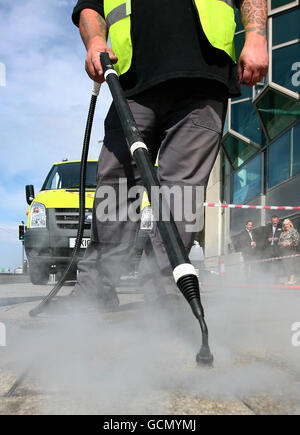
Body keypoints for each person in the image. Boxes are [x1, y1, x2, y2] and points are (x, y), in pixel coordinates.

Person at [71, 0, 269, 309]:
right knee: (117, 186)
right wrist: (96, 39)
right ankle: (96, 287)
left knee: (183, 192)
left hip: (204, 78)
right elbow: (90, 5)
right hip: (133, 82)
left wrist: (256, 37)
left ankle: (162, 290)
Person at [278, 219, 300, 285]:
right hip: (284, 251)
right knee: (286, 265)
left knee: (291, 265)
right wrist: (282, 243)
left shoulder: (293, 231)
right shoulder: (282, 233)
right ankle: (289, 279)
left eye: (287, 224)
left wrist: (289, 243)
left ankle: (292, 279)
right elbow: (279, 242)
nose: (285, 226)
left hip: (292, 251)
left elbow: (297, 241)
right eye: (284, 224)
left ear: (290, 224)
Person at [265, 215, 282, 282]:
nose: (274, 222)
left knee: (277, 264)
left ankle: (277, 279)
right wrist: (267, 239)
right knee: (269, 263)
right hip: (269, 249)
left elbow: (282, 236)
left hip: (277, 249)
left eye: (275, 221)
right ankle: (269, 278)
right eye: (273, 221)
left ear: (278, 220)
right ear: (271, 221)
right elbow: (265, 237)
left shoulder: (281, 227)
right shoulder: (268, 228)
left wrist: (277, 239)